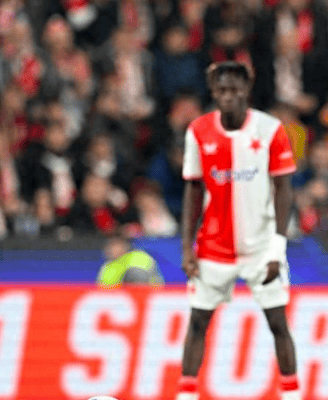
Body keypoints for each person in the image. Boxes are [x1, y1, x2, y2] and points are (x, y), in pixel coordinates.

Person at [177, 61, 301, 401]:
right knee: (197, 322)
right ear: (213, 92)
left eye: (234, 89)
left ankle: (292, 395)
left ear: (246, 90)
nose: (228, 96)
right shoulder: (198, 131)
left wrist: (277, 248)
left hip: (261, 248)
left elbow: (284, 189)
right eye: (221, 90)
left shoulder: (270, 130)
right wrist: (187, 248)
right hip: (213, 248)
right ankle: (186, 395)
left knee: (278, 322)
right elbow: (193, 189)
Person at [96, 235, 164, 288]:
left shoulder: (139, 257)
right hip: (118, 299)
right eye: (110, 246)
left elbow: (142, 279)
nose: (113, 249)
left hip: (147, 294)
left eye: (116, 245)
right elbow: (102, 289)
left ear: (125, 245)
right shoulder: (106, 267)